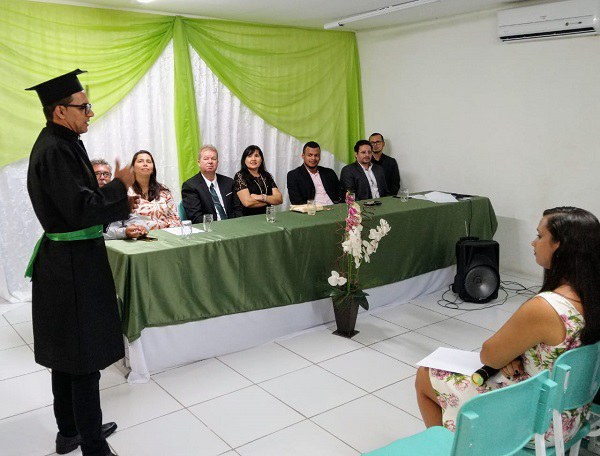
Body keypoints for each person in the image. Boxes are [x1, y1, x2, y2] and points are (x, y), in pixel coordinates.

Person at [415, 207, 600, 446]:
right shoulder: (591, 297)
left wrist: (505, 356)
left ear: (559, 245)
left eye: (540, 236)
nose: (533, 243)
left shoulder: (547, 307)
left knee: (425, 376)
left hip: (537, 425)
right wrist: (518, 356)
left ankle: (452, 448)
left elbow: (489, 355)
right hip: (571, 416)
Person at [25, 69, 132, 456]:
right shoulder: (56, 149)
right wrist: (120, 185)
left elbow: (76, 203)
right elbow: (83, 209)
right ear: (59, 111)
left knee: (67, 356)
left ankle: (69, 431)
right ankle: (92, 446)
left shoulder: (62, 143)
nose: (90, 112)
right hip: (72, 266)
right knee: (82, 358)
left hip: (67, 261)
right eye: (83, 106)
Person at [181, 145, 242, 223]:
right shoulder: (190, 186)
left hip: (233, 225)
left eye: (213, 159)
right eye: (206, 159)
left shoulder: (229, 182)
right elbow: (196, 217)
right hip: (209, 227)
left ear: (217, 162)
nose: (210, 162)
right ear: (199, 163)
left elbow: (238, 209)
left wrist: (233, 224)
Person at [91, 158, 147, 240]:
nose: (102, 177)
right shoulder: (87, 200)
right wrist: (124, 232)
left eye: (106, 174)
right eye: (97, 174)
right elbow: (95, 233)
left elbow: (134, 218)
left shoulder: (116, 197)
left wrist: (139, 227)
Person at [129, 150, 181, 230]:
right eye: (140, 161)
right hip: (138, 235)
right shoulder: (126, 192)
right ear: (133, 168)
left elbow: (175, 219)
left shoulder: (163, 191)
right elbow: (122, 223)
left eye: (149, 161)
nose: (145, 164)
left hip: (166, 234)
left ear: (153, 169)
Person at [286, 141, 342, 205]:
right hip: (312, 209)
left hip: (334, 208)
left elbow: (340, 194)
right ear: (303, 156)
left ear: (320, 157)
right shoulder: (294, 175)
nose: (313, 158)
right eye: (310, 155)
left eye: (316, 155)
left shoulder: (329, 173)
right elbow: (296, 201)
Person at [233, 145, 283, 216]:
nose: (253, 159)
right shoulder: (240, 176)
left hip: (267, 216)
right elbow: (247, 202)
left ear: (261, 159)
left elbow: (279, 199)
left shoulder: (266, 176)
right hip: (247, 218)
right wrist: (270, 200)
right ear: (244, 160)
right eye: (249, 156)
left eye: (256, 156)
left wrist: (261, 197)